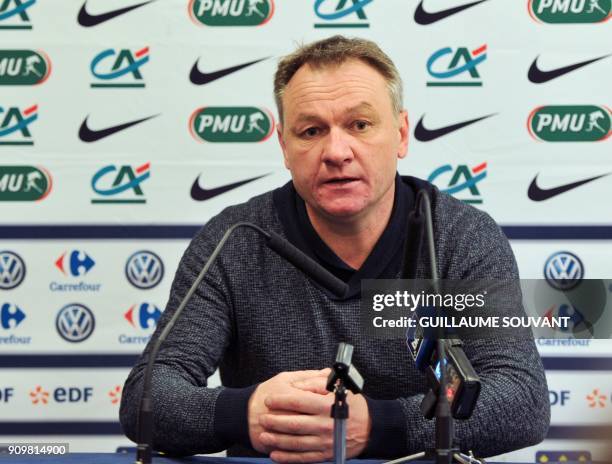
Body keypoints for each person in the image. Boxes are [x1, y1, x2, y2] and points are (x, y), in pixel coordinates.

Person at [120, 35, 549, 462]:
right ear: (284, 146)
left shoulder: (459, 237)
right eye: (311, 131)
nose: (336, 152)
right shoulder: (235, 240)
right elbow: (149, 393)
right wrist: (248, 412)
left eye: (360, 125)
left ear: (400, 134)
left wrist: (378, 426)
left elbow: (521, 399)